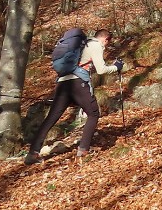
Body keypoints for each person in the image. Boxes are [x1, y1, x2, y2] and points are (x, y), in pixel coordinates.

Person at [25, 29, 123, 164]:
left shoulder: (81, 44)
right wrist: (116, 67)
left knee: (51, 118)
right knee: (93, 113)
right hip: (78, 83)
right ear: (105, 39)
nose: (106, 46)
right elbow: (101, 70)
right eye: (107, 42)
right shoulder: (95, 45)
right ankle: (83, 151)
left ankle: (32, 154)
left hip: (62, 83)